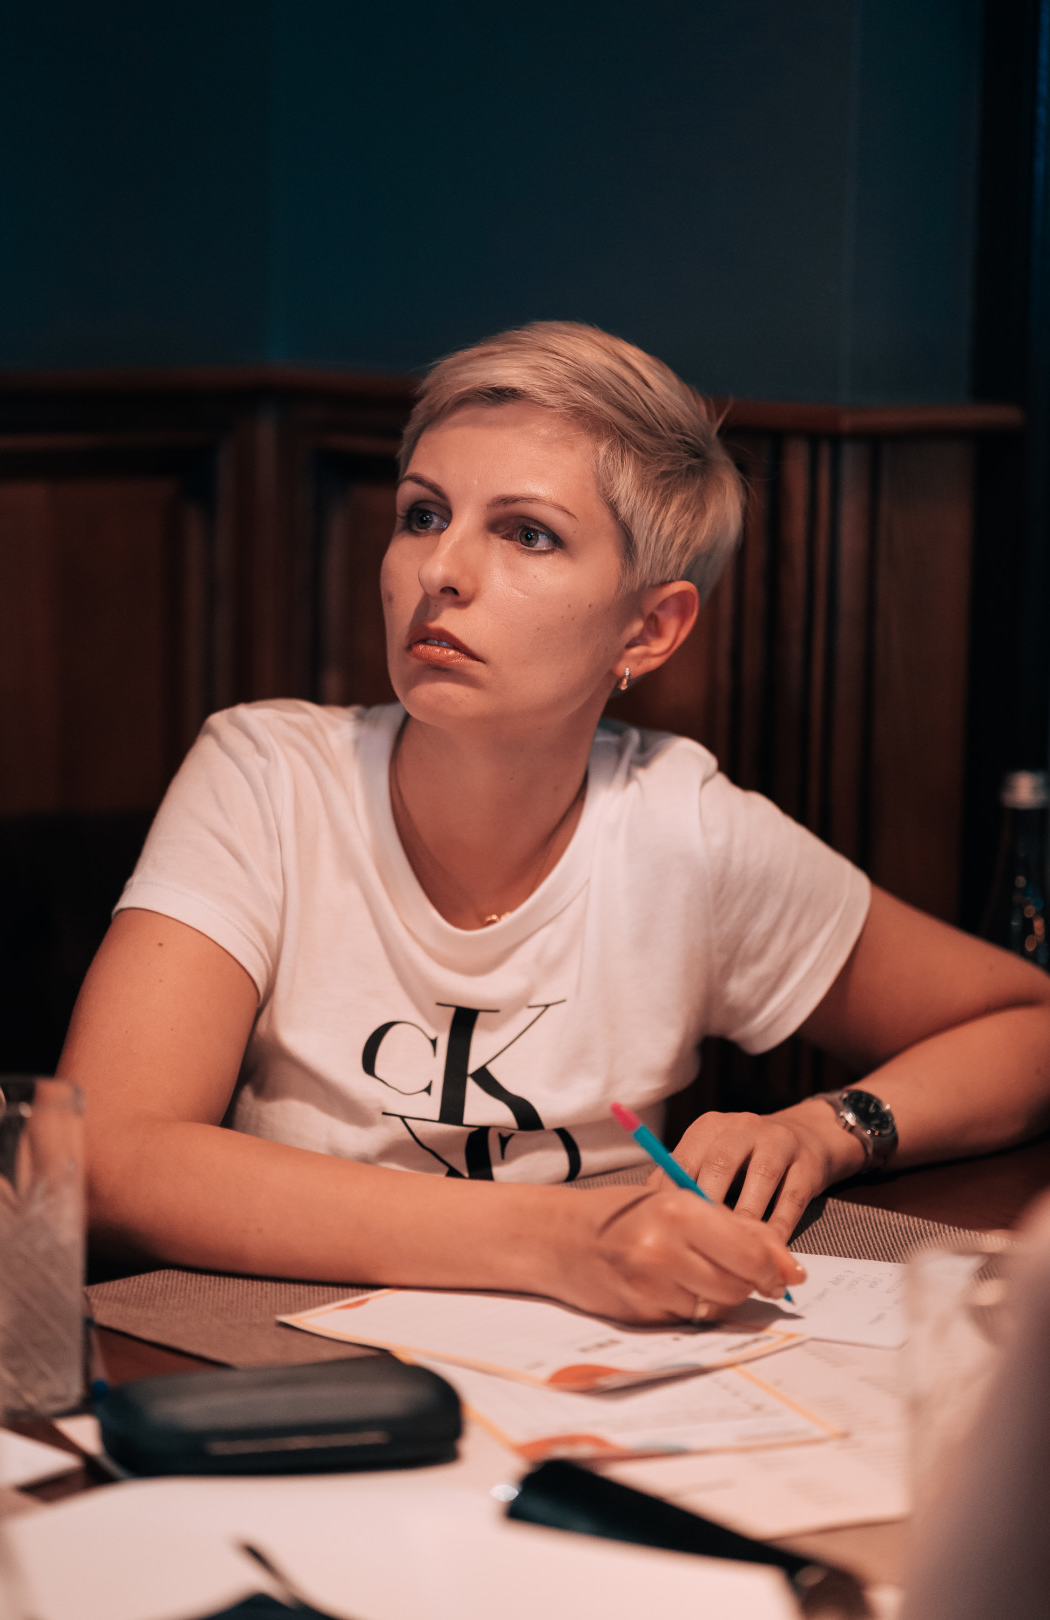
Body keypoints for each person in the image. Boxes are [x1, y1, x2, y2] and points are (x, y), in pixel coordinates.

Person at [60, 322, 1050, 1324]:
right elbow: (107, 1159)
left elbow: (1030, 1029)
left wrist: (830, 1129)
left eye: (527, 533)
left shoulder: (682, 829)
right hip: (279, 1352)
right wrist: (563, 1239)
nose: (441, 569)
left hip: (596, 1361)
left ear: (650, 628)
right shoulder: (268, 775)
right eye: (422, 515)